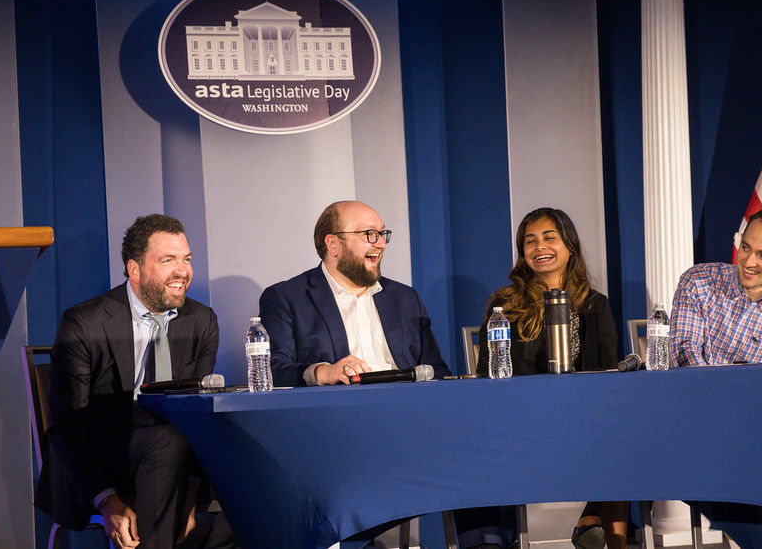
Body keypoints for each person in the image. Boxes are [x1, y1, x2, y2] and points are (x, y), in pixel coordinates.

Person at [37, 214, 235, 549]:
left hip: (175, 454)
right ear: (134, 270)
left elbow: (197, 414)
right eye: (167, 260)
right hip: (104, 455)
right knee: (166, 441)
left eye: (186, 259)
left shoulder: (202, 321)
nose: (182, 272)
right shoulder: (85, 323)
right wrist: (107, 501)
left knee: (251, 466)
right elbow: (67, 427)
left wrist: (187, 499)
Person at [462, 208, 624, 549]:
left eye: (549, 237)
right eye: (529, 241)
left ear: (569, 246)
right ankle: (587, 521)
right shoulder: (504, 305)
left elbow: (611, 377)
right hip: (523, 421)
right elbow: (486, 374)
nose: (539, 247)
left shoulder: (597, 305)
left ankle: (612, 537)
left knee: (620, 433)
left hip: (584, 421)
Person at [259, 200, 449, 387]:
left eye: (382, 233)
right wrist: (325, 372)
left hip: (408, 404)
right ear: (333, 244)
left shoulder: (405, 298)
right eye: (369, 234)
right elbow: (271, 370)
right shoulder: (287, 298)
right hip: (338, 409)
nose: (381, 243)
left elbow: (435, 370)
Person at [671, 206, 762, 366]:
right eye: (745, 248)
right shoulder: (699, 281)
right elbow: (684, 350)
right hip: (695, 389)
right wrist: (711, 387)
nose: (748, 262)